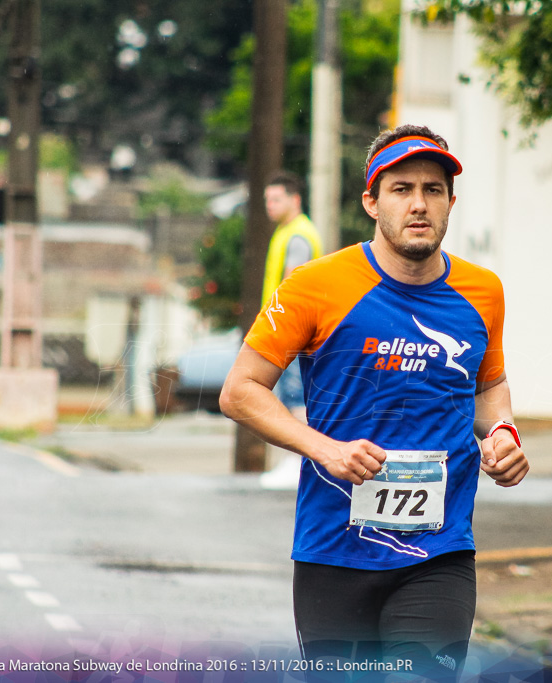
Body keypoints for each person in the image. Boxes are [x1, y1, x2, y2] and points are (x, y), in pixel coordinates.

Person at [220, 124, 529, 680]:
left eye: (433, 190)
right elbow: (240, 391)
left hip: (439, 554)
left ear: (451, 203)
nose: (418, 204)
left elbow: (487, 388)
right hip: (332, 552)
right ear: (371, 200)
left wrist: (503, 434)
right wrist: (325, 450)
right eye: (401, 188)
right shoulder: (315, 285)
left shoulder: (484, 291)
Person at [262, 171, 323, 413]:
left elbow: (291, 286)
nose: (270, 206)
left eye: (276, 199)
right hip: (288, 328)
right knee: (290, 396)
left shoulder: (298, 235)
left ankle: (298, 451)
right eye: (267, 200)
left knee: (294, 397)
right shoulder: (286, 231)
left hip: (292, 331)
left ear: (295, 200)